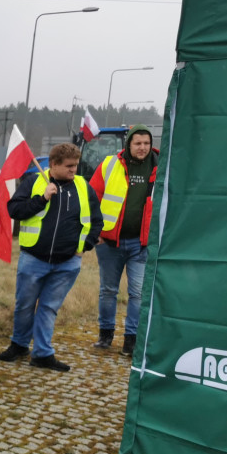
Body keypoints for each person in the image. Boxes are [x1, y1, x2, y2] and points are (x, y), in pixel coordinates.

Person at [0, 142, 103, 372]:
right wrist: (42, 199)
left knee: (48, 308)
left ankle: (42, 354)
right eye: (68, 166)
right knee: (24, 305)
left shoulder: (84, 188)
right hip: (33, 259)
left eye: (76, 165)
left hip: (67, 263)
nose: (73, 170)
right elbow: (14, 210)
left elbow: (97, 221)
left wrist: (85, 245)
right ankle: (19, 344)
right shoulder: (33, 182)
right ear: (53, 165)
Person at [89, 125, 157, 356]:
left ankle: (130, 340)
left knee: (137, 293)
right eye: (137, 143)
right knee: (108, 290)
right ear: (128, 144)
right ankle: (105, 335)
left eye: (146, 143)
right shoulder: (110, 165)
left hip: (141, 244)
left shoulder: (161, 166)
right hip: (109, 243)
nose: (142, 147)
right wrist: (94, 231)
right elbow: (92, 197)